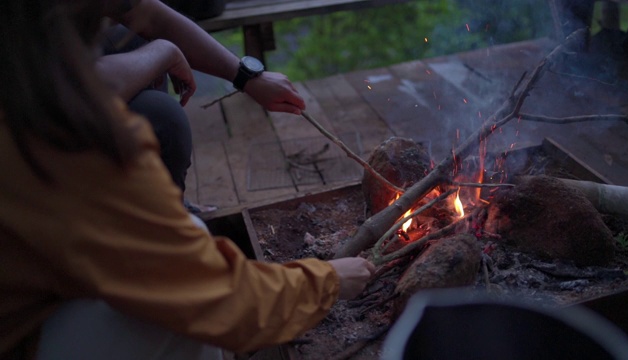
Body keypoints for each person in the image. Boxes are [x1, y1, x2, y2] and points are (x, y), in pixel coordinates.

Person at [0, 1, 374, 359]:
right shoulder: (64, 142)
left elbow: (148, 14)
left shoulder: (28, 75)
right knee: (170, 326)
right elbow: (218, 301)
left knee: (185, 225)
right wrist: (328, 282)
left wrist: (247, 77)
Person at [98, 0, 304, 206]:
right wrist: (162, 53)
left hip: (84, 66)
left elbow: (145, 12)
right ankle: (160, 217)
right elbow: (75, 85)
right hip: (72, 106)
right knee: (163, 116)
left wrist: (247, 77)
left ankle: (164, 196)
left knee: (130, 36)